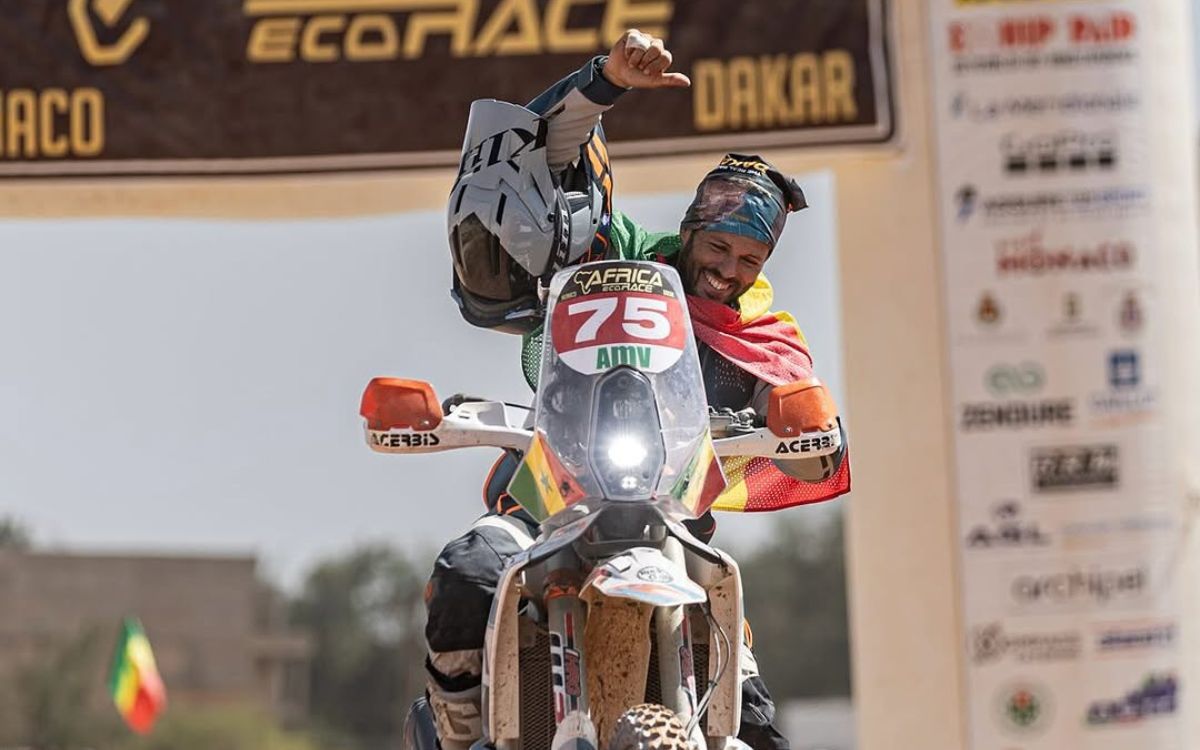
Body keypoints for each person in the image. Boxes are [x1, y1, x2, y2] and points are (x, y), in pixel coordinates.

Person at [428, 29, 850, 750]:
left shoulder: (765, 334)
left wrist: (811, 431)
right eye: (718, 247)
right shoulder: (618, 252)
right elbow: (543, 165)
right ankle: (462, 733)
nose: (728, 270)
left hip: (675, 526)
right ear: (691, 230)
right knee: (467, 570)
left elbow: (800, 419)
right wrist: (605, 81)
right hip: (548, 493)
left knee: (759, 726)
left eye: (749, 259)